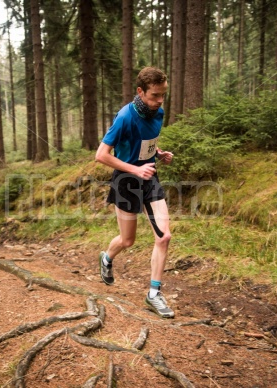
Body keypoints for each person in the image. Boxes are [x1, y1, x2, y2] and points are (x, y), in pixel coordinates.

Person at [95, 67, 175, 318]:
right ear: (140, 92)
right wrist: (134, 170)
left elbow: (145, 140)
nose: (160, 101)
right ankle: (107, 258)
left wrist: (158, 152)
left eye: (163, 95)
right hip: (126, 181)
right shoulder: (124, 117)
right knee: (127, 240)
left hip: (149, 177)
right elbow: (101, 155)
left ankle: (154, 293)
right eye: (154, 95)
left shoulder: (158, 111)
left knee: (163, 237)